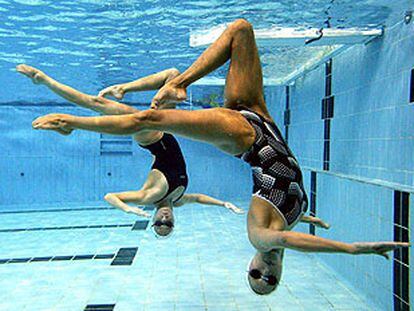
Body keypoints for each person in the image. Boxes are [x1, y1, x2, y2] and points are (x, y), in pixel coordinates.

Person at [31, 19, 409, 294]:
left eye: (255, 276)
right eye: (270, 280)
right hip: (263, 119)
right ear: (278, 275)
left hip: (244, 140)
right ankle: (177, 82)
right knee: (241, 31)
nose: (264, 273)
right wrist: (307, 215)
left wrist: (351, 250)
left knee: (146, 117)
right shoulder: (285, 225)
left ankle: (71, 123)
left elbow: (283, 237)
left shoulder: (260, 236)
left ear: (251, 264)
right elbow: (287, 214)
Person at [17, 64, 244, 237]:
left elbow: (110, 196)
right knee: (173, 77)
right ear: (174, 220)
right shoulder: (178, 200)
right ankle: (121, 88)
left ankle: (55, 99)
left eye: (159, 223)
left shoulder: (149, 197)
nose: (164, 219)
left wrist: (128, 210)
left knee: (98, 104)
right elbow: (200, 198)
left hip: (152, 136)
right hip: (166, 128)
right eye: (169, 224)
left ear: (153, 219)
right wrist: (224, 204)